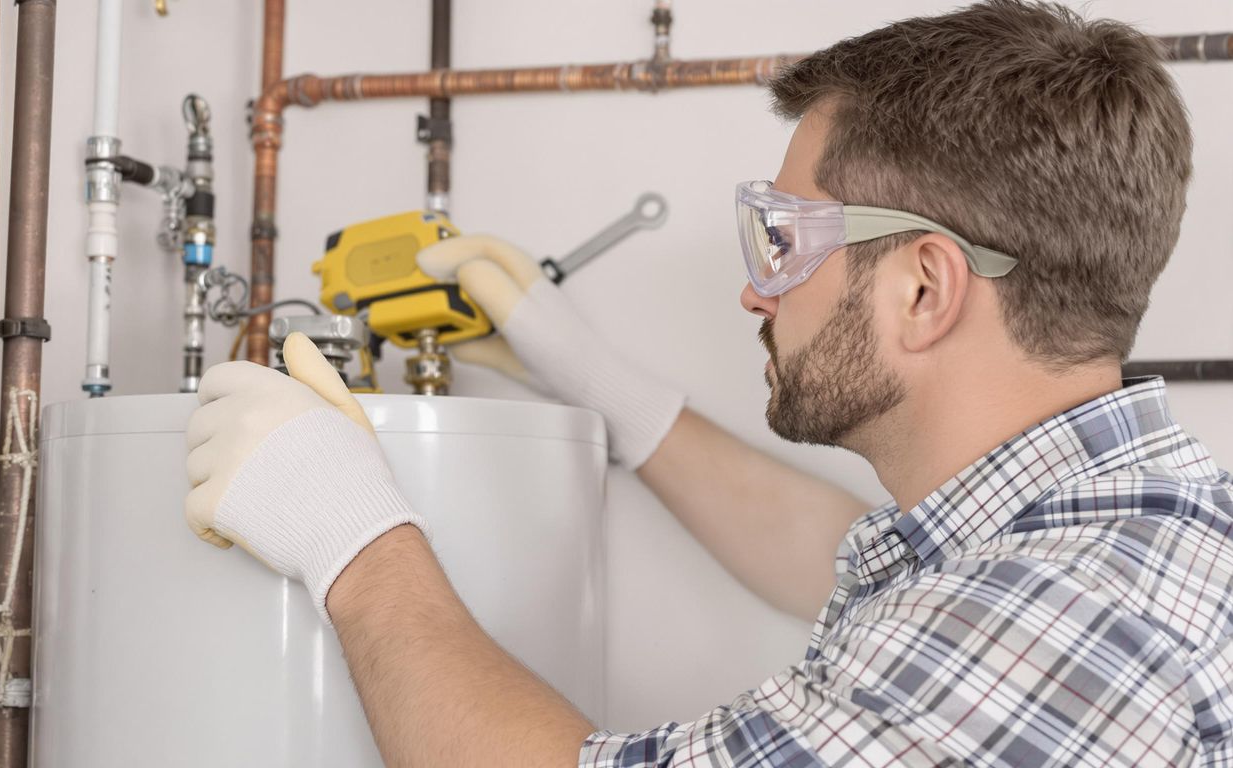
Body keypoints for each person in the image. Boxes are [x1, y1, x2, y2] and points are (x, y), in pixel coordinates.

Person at [183, 1, 1233, 764]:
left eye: (783, 242)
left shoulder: (1046, 627)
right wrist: (604, 388)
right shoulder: (1133, 526)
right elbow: (828, 553)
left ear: (925, 289)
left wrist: (352, 544)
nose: (755, 291)